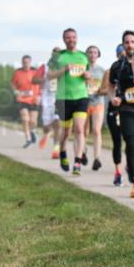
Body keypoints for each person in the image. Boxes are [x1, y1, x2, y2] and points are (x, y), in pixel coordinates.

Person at [47, 29, 90, 175]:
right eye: (68, 38)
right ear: (63, 39)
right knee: (66, 132)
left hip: (81, 97)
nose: (71, 40)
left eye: (73, 37)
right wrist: (64, 69)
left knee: (79, 129)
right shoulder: (58, 57)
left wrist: (87, 76)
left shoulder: (83, 56)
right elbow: (50, 76)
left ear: (77, 38)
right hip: (63, 98)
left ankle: (77, 162)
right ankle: (63, 153)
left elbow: (87, 75)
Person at [111, 31, 134, 198]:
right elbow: (111, 86)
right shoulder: (118, 66)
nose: (130, 45)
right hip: (126, 111)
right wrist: (113, 98)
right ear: (123, 45)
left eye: (133, 42)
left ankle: (133, 166)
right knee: (131, 144)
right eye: (127, 42)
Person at [103, 44, 126, 186]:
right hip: (114, 109)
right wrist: (113, 95)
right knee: (117, 142)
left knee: (133, 141)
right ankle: (118, 172)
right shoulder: (113, 69)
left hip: (130, 109)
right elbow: (106, 88)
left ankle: (132, 164)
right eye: (120, 53)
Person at [83, 45, 106, 170]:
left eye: (95, 52)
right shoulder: (82, 69)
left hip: (98, 102)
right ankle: (83, 150)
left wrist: (100, 91)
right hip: (84, 103)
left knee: (97, 131)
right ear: (86, 55)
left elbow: (106, 88)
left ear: (98, 55)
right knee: (84, 131)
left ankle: (97, 158)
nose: (92, 55)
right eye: (90, 52)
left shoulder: (102, 71)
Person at [36, 48, 62, 156]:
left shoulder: (64, 66)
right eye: (55, 53)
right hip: (47, 97)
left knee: (58, 122)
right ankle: (47, 133)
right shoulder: (44, 67)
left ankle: (56, 148)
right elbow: (34, 79)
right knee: (46, 125)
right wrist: (44, 80)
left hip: (59, 96)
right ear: (52, 54)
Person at [11, 55, 40, 147]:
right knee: (25, 118)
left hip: (33, 99)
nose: (26, 64)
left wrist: (39, 96)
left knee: (33, 121)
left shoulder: (35, 71)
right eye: (24, 62)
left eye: (27, 62)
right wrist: (16, 91)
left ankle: (32, 131)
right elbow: (12, 84)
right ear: (22, 63)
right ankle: (28, 139)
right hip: (22, 99)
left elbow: (41, 84)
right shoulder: (17, 72)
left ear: (30, 62)